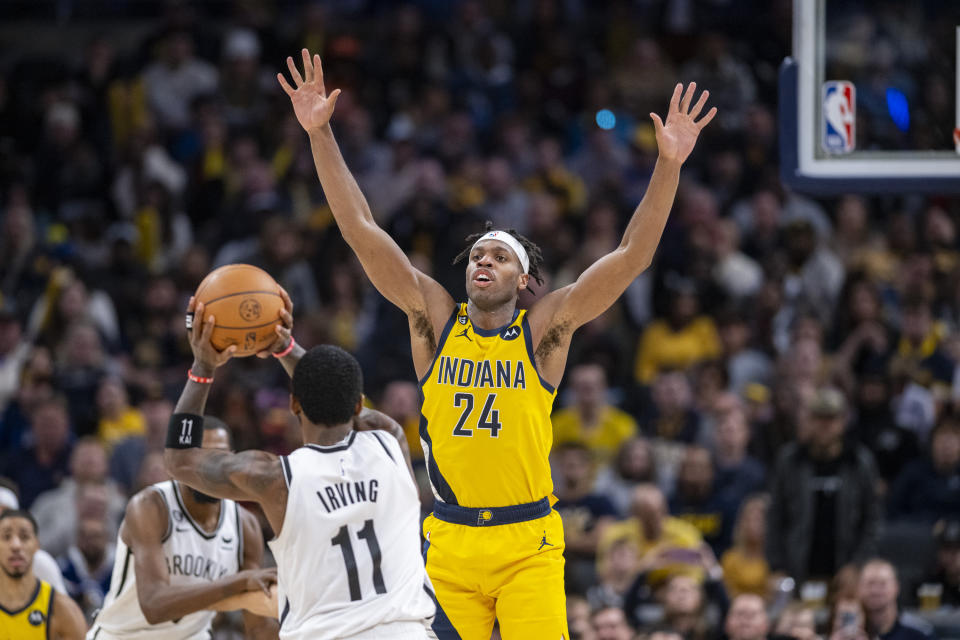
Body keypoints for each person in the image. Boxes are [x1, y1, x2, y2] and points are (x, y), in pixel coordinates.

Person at [278, 48, 716, 639]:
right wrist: (320, 132)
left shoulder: (546, 332)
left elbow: (632, 256)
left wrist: (668, 164)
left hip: (527, 542)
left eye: (499, 255)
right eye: (478, 254)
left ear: (524, 280)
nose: (484, 261)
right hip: (449, 541)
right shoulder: (432, 318)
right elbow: (360, 229)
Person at [163, 297, 435, 638]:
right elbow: (340, 390)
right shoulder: (390, 441)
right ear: (357, 404)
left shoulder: (273, 477)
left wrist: (202, 367)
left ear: (293, 404)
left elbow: (180, 460)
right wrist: (286, 347)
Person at [87, 414, 279, 640]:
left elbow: (257, 627)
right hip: (123, 635)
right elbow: (154, 606)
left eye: (219, 457)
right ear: (182, 462)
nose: (212, 468)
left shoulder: (245, 525)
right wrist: (241, 581)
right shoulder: (151, 506)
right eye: (202, 458)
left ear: (233, 461)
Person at [767, 387, 880, 584]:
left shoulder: (859, 462)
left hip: (846, 572)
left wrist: (858, 564)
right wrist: (777, 566)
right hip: (797, 569)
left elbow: (873, 518)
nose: (825, 425)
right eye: (819, 418)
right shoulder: (790, 460)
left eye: (831, 418)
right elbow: (775, 516)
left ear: (843, 421)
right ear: (810, 420)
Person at [0, 510, 86, 639]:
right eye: (6, 537)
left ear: (37, 545)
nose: (16, 545)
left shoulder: (62, 609)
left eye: (24, 537)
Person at [859, 559, 935, 640]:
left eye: (882, 584)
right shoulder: (851, 630)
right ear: (858, 587)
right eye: (870, 583)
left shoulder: (919, 632)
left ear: (896, 587)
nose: (875, 590)